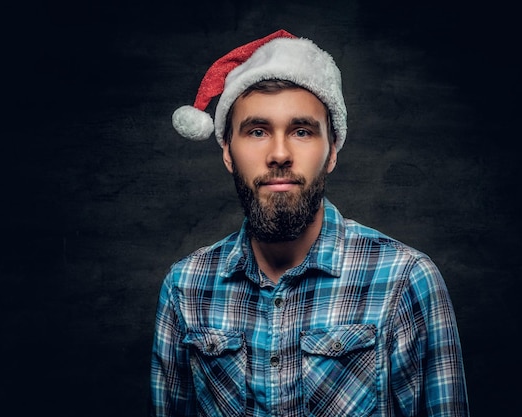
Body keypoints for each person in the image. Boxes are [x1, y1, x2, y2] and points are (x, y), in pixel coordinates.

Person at [150, 29, 469, 417]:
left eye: (301, 131)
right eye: (257, 131)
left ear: (332, 150)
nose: (279, 153)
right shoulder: (185, 286)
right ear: (228, 152)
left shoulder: (406, 279)